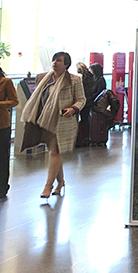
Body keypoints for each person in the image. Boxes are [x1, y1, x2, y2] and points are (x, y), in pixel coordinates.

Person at [21, 52, 86, 199]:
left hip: (64, 121)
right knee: (55, 152)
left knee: (56, 151)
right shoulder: (43, 79)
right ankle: (61, 181)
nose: (55, 63)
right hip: (46, 120)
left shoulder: (74, 80)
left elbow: (81, 100)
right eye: (54, 60)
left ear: (66, 65)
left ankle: (48, 186)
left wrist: (73, 108)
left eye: (59, 61)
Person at [0, 56, 18, 199]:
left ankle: (2, 187)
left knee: (1, 156)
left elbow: (14, 101)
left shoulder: (6, 82)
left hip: (0, 124)